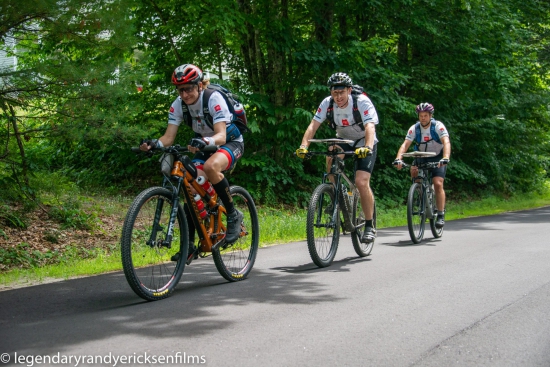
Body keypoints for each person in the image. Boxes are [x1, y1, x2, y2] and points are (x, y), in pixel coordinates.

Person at [139, 64, 244, 260]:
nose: (185, 94)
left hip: (229, 142)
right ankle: (189, 245)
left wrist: (205, 141)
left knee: (211, 166)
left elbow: (220, 136)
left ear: (200, 85)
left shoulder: (213, 98)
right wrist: (154, 144)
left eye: (189, 88)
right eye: (181, 90)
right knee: (189, 185)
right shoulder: (178, 104)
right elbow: (168, 138)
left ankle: (232, 214)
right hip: (204, 145)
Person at [296, 72, 379, 243]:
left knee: (361, 182)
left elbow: (370, 126)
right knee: (330, 154)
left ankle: (369, 225)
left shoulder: (362, 101)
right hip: (344, 139)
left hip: (364, 140)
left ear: (349, 90)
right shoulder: (327, 104)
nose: (338, 96)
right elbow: (313, 125)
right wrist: (304, 146)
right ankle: (337, 197)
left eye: (341, 92)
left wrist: (368, 147)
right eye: (335, 93)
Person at [393, 102, 451, 228]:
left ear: (430, 115)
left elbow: (446, 142)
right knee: (414, 171)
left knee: (438, 183)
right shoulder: (415, 128)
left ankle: (440, 214)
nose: (423, 118)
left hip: (437, 156)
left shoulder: (438, 126)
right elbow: (405, 144)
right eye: (421, 115)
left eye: (425, 115)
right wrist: (398, 158)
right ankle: (419, 194)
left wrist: (445, 157)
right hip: (421, 156)